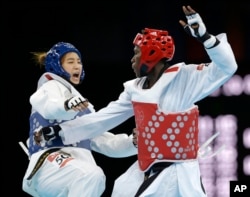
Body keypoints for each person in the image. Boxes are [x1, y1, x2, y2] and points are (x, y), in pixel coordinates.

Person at [35, 5, 238, 196]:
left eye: (136, 52)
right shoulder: (135, 90)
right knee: (121, 190)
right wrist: (60, 131)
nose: (132, 59)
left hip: (177, 173)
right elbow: (103, 119)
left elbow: (227, 67)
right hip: (146, 168)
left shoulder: (183, 78)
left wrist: (206, 38)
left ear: (152, 53)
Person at [22, 42, 138, 197]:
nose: (77, 66)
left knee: (97, 178)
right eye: (70, 62)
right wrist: (66, 105)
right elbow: (50, 106)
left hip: (72, 173)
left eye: (79, 62)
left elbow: (107, 143)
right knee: (90, 175)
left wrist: (134, 143)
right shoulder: (49, 86)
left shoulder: (84, 107)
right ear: (57, 66)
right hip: (48, 164)